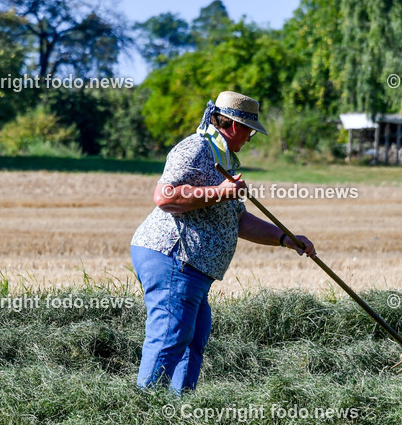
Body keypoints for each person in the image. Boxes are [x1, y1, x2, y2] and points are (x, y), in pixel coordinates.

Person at [130, 90, 316, 395]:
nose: (250, 139)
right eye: (249, 132)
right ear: (232, 125)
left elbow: (238, 220)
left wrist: (286, 239)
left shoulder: (224, 159)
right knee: (170, 336)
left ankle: (179, 410)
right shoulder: (196, 149)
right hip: (174, 255)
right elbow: (165, 196)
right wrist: (221, 192)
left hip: (194, 266)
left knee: (194, 338)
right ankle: (143, 414)